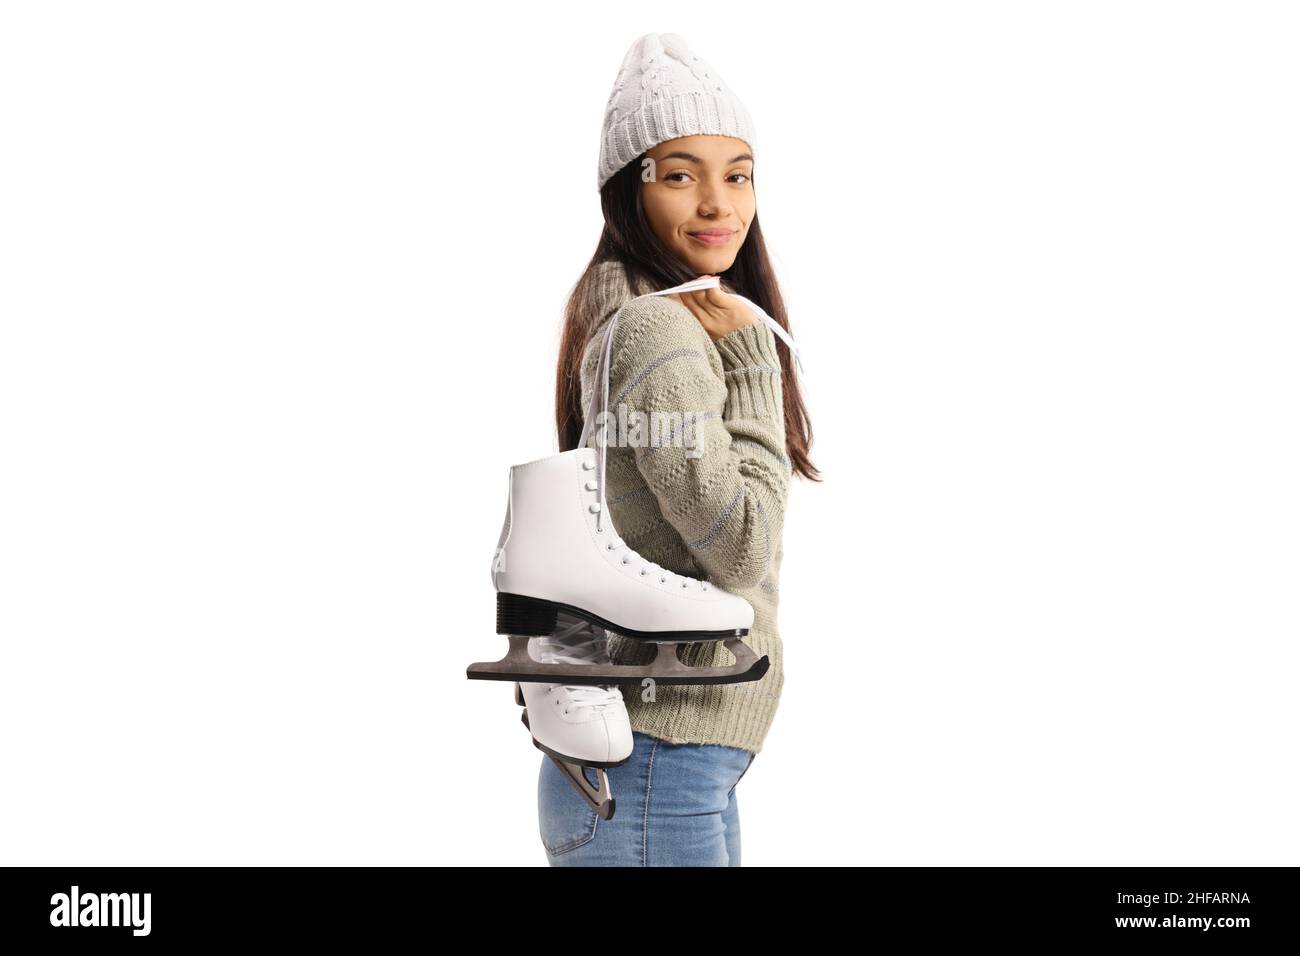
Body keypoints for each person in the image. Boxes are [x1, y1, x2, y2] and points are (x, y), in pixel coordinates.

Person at [540, 32, 819, 866]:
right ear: (629, 191)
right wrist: (751, 361)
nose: (718, 205)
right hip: (661, 752)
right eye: (680, 175)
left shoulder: (630, 310)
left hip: (654, 758)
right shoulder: (662, 326)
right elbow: (739, 547)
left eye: (738, 175)